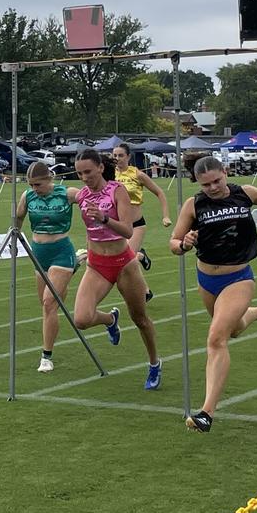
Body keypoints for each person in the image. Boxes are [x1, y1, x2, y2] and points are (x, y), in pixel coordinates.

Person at [169, 155, 257, 432]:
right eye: (206, 184)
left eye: (217, 181)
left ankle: (206, 413)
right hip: (206, 279)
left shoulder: (245, 193)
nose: (213, 188)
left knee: (216, 338)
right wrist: (184, 243)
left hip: (239, 277)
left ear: (225, 173)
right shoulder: (193, 205)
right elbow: (174, 243)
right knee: (233, 330)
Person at [69, 148, 162, 389]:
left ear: (100, 167)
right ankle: (110, 319)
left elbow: (128, 230)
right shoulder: (81, 195)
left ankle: (154, 363)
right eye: (79, 173)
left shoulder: (117, 191)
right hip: (97, 265)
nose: (84, 177)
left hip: (124, 264)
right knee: (80, 319)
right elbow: (57, 192)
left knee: (140, 319)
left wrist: (103, 218)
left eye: (88, 171)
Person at [14, 162, 78, 372]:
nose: (34, 189)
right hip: (38, 253)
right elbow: (19, 217)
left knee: (49, 303)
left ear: (49, 180)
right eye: (31, 185)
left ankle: (46, 356)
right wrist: (14, 236)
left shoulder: (66, 193)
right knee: (45, 302)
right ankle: (109, 319)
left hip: (61, 250)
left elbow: (91, 200)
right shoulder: (28, 196)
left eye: (38, 184)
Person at [111, 143, 172, 295]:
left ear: (128, 157)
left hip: (136, 224)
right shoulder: (109, 175)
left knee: (126, 260)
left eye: (120, 155)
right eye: (115, 156)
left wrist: (165, 216)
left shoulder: (137, 174)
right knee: (124, 261)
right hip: (118, 225)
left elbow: (160, 193)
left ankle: (140, 257)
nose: (117, 158)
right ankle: (145, 291)